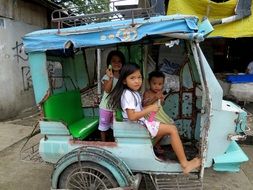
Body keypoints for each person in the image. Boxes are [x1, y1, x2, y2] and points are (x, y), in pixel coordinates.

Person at [108, 63, 201, 174]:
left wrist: (151, 110)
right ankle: (185, 164)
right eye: (132, 78)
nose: (137, 81)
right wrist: (150, 108)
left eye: (139, 77)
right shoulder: (128, 94)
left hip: (140, 123)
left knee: (162, 126)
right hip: (136, 126)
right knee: (172, 129)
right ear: (124, 81)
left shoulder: (133, 93)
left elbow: (138, 110)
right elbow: (132, 117)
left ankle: (148, 150)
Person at [143, 70, 174, 154]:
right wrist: (155, 98)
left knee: (165, 129)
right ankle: (151, 145)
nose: (157, 86)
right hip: (151, 117)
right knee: (160, 131)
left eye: (160, 84)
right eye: (154, 83)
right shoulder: (147, 93)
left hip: (158, 115)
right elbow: (144, 105)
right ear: (149, 83)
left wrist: (162, 100)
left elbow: (160, 105)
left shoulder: (160, 93)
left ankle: (156, 144)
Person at [98, 50, 125, 141]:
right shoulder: (107, 77)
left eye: (119, 61)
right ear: (109, 63)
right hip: (105, 107)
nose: (116, 63)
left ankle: (114, 143)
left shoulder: (123, 77)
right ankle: (103, 143)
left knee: (116, 127)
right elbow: (107, 89)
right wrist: (110, 77)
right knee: (103, 127)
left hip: (116, 108)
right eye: (113, 61)